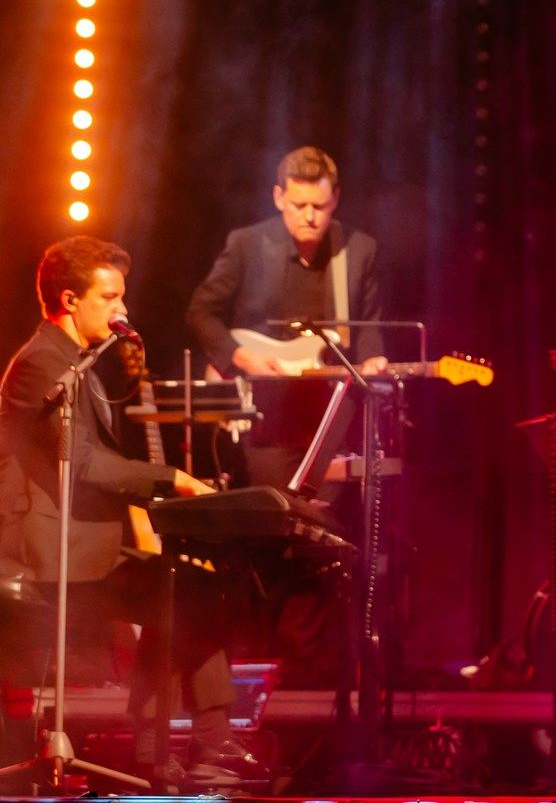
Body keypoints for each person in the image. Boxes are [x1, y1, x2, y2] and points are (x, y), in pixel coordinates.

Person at [0, 237, 262, 787]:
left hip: (88, 541)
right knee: (181, 590)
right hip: (50, 554)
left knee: (189, 586)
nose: (122, 308)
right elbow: (88, 464)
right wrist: (170, 480)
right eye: (110, 296)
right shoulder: (38, 366)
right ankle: (175, 745)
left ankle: (184, 744)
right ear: (70, 300)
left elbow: (102, 452)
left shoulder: (75, 360)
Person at [185, 145, 382, 684]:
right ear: (279, 197)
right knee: (279, 536)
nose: (309, 218)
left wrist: (376, 360)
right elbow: (201, 311)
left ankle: (305, 673)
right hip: (264, 425)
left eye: (319, 206)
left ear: (335, 199)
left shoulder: (358, 251)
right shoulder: (248, 245)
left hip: (326, 425)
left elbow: (369, 330)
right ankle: (278, 664)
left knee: (320, 541)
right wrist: (241, 356)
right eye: (297, 206)